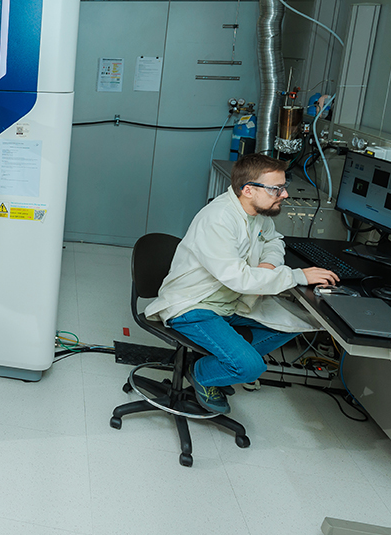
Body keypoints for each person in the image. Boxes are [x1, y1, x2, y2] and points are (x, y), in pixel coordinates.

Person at [145, 153, 338, 415]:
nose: (284, 194)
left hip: (229, 301)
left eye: (284, 186)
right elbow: (238, 278)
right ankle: (200, 372)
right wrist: (297, 276)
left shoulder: (257, 213)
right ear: (248, 190)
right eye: (276, 189)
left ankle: (220, 360)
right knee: (250, 367)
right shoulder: (219, 219)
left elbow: (274, 241)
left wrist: (268, 265)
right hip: (194, 305)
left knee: (298, 322)